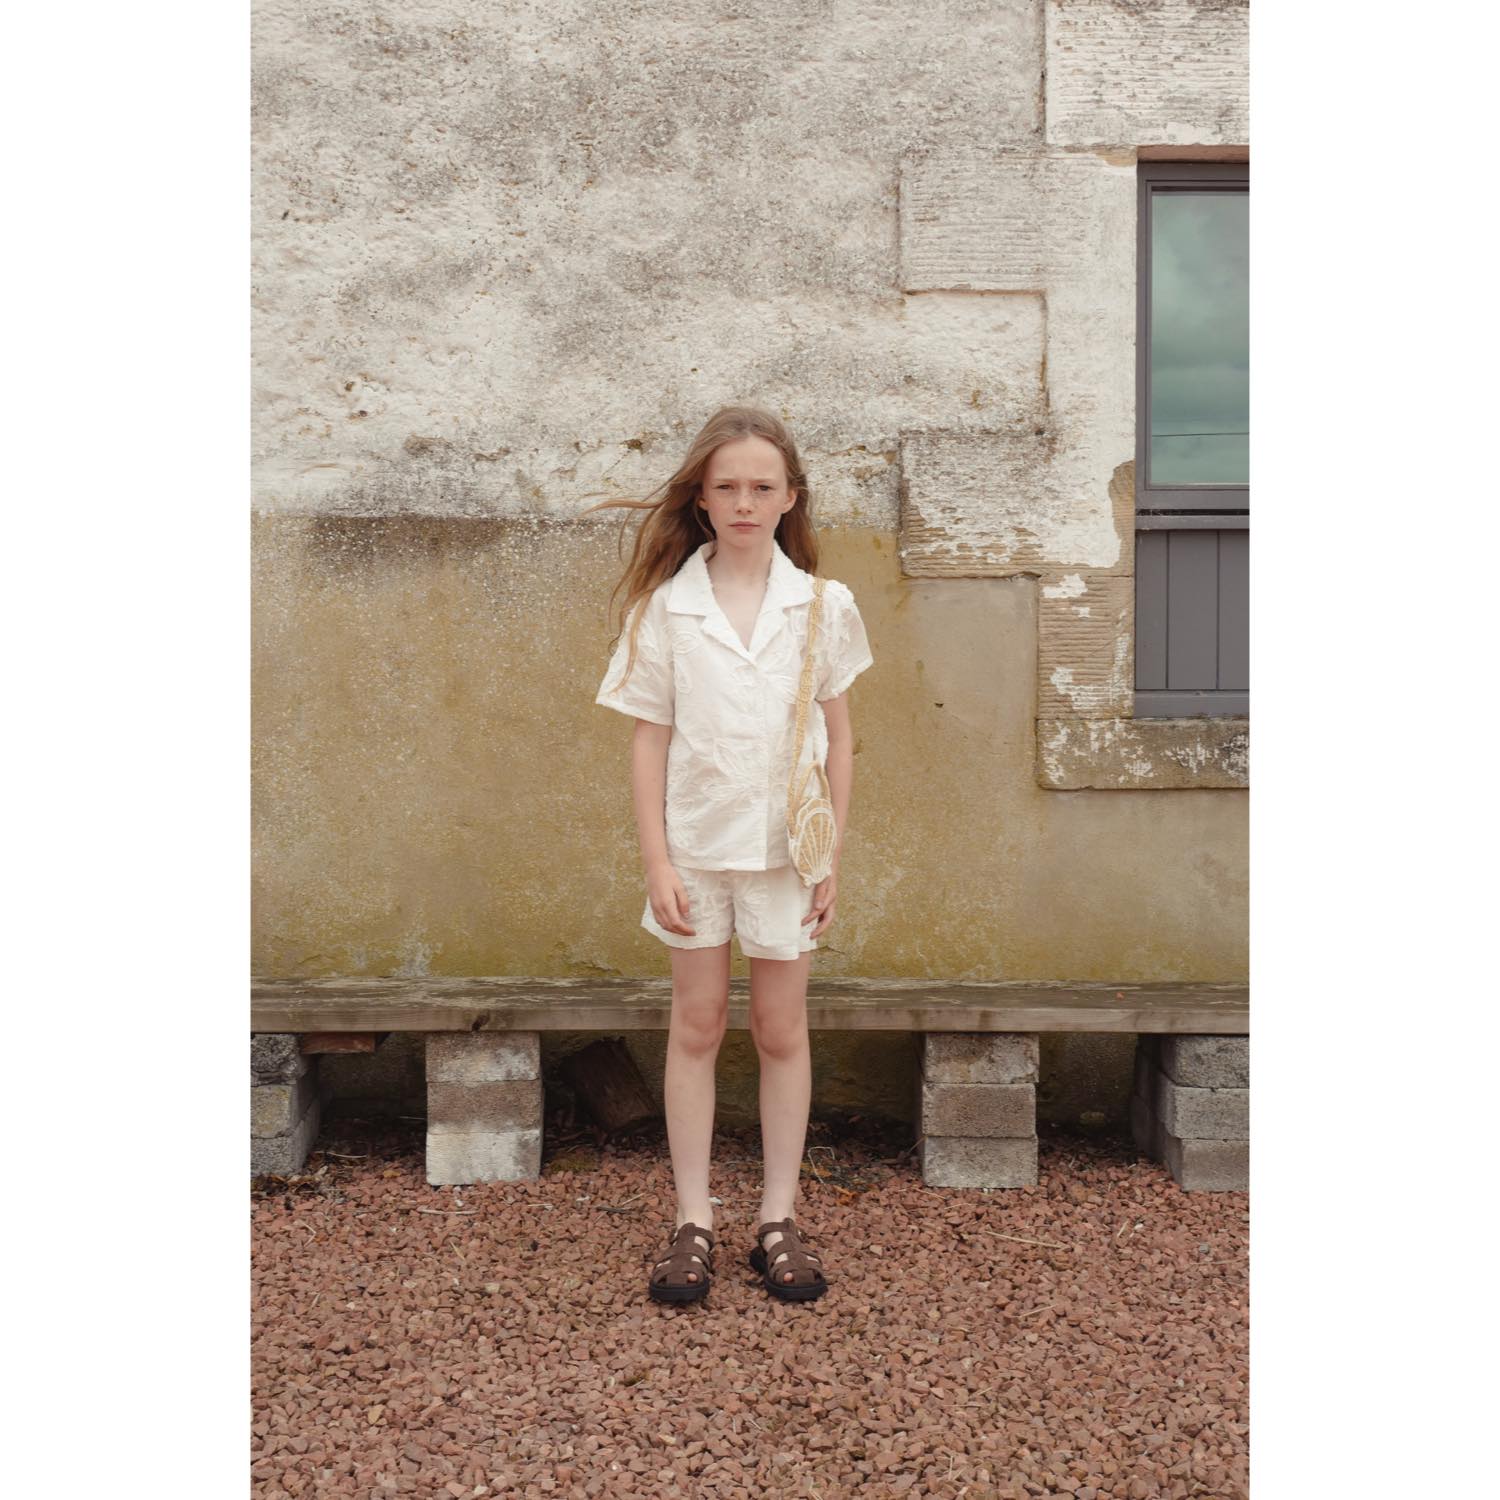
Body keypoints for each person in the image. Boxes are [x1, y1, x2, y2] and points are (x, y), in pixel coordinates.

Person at [584, 405, 874, 1305]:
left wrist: (832, 856)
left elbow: (839, 737)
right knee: (698, 1024)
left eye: (761, 486)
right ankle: (693, 1219)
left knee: (782, 1029)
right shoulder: (665, 611)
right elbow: (649, 742)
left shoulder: (823, 606)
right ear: (701, 500)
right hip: (697, 853)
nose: (745, 501)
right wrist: (657, 863)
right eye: (727, 486)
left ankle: (778, 1218)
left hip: (788, 857)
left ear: (789, 498)